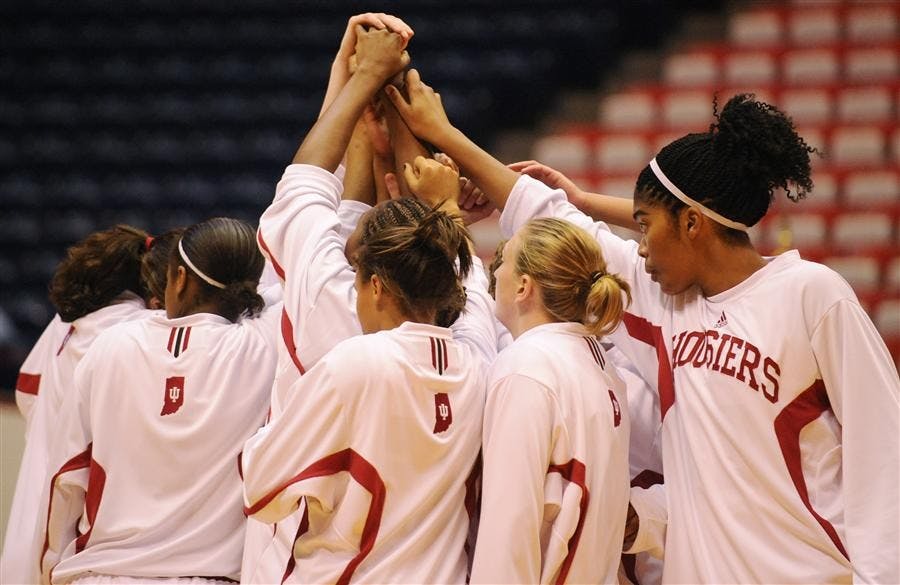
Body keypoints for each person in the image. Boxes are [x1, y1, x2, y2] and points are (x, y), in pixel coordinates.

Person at [388, 79, 900, 583]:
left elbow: (884, 445)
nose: (639, 246)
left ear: (693, 224)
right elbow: (549, 214)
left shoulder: (811, 293)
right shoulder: (668, 303)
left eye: (644, 224)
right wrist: (444, 133)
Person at [241, 23, 492, 585]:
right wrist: (406, 121)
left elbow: (303, 187)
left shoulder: (346, 347)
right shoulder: (477, 352)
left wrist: (363, 79)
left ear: (374, 284)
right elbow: (461, 266)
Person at [39, 217, 281, 584]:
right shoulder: (265, 346)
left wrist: (50, 569)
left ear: (179, 278)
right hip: (211, 577)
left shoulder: (110, 345)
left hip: (105, 574)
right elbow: (308, 271)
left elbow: (67, 475)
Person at [2, 225, 177, 585]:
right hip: (82, 529)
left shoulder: (62, 325)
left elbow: (27, 395)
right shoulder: (143, 331)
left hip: (34, 506)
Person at [470, 217, 632, 584]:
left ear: (524, 286)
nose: (496, 271)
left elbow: (509, 529)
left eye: (506, 260)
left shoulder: (527, 366)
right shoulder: (601, 364)